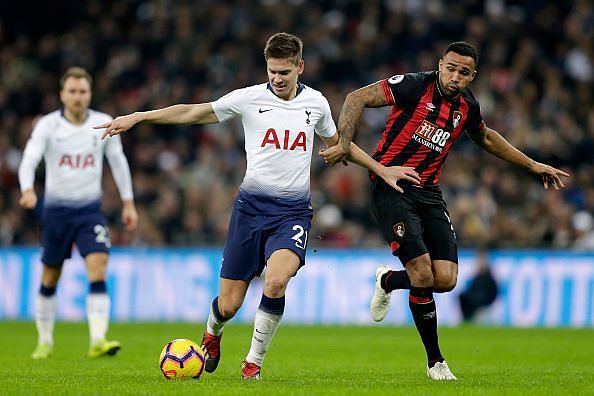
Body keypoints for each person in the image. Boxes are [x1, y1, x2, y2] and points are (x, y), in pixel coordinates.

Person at [96, 32, 421, 380]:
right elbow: (193, 112)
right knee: (229, 305)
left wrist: (380, 168)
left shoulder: (316, 104)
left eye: (285, 72)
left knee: (276, 282)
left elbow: (340, 144)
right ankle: (213, 332)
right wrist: (140, 116)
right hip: (249, 211)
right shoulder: (248, 98)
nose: (277, 78)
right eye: (272, 71)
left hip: (293, 213)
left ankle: (253, 363)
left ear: (300, 67)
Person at [320, 41, 570, 380]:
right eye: (450, 68)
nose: (454, 76)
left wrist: (532, 164)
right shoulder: (414, 85)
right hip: (391, 185)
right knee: (423, 275)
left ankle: (389, 280)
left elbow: (487, 138)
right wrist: (344, 144)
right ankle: (436, 362)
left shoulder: (467, 106)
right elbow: (356, 98)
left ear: (473, 76)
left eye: (463, 72)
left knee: (446, 280)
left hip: (429, 192)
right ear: (440, 64)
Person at [18, 67, 138, 360]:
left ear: (90, 94)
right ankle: (44, 341)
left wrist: (128, 202)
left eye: (82, 91)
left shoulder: (101, 123)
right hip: (56, 212)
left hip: (89, 211)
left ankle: (98, 339)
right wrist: (27, 188)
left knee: (98, 269)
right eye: (72, 91)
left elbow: (118, 162)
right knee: (50, 276)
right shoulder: (48, 126)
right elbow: (29, 159)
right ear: (62, 94)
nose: (77, 97)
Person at [458, 248, 498, 322]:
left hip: (483, 308)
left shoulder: (490, 279)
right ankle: (466, 317)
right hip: (473, 307)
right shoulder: (475, 278)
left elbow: (493, 294)